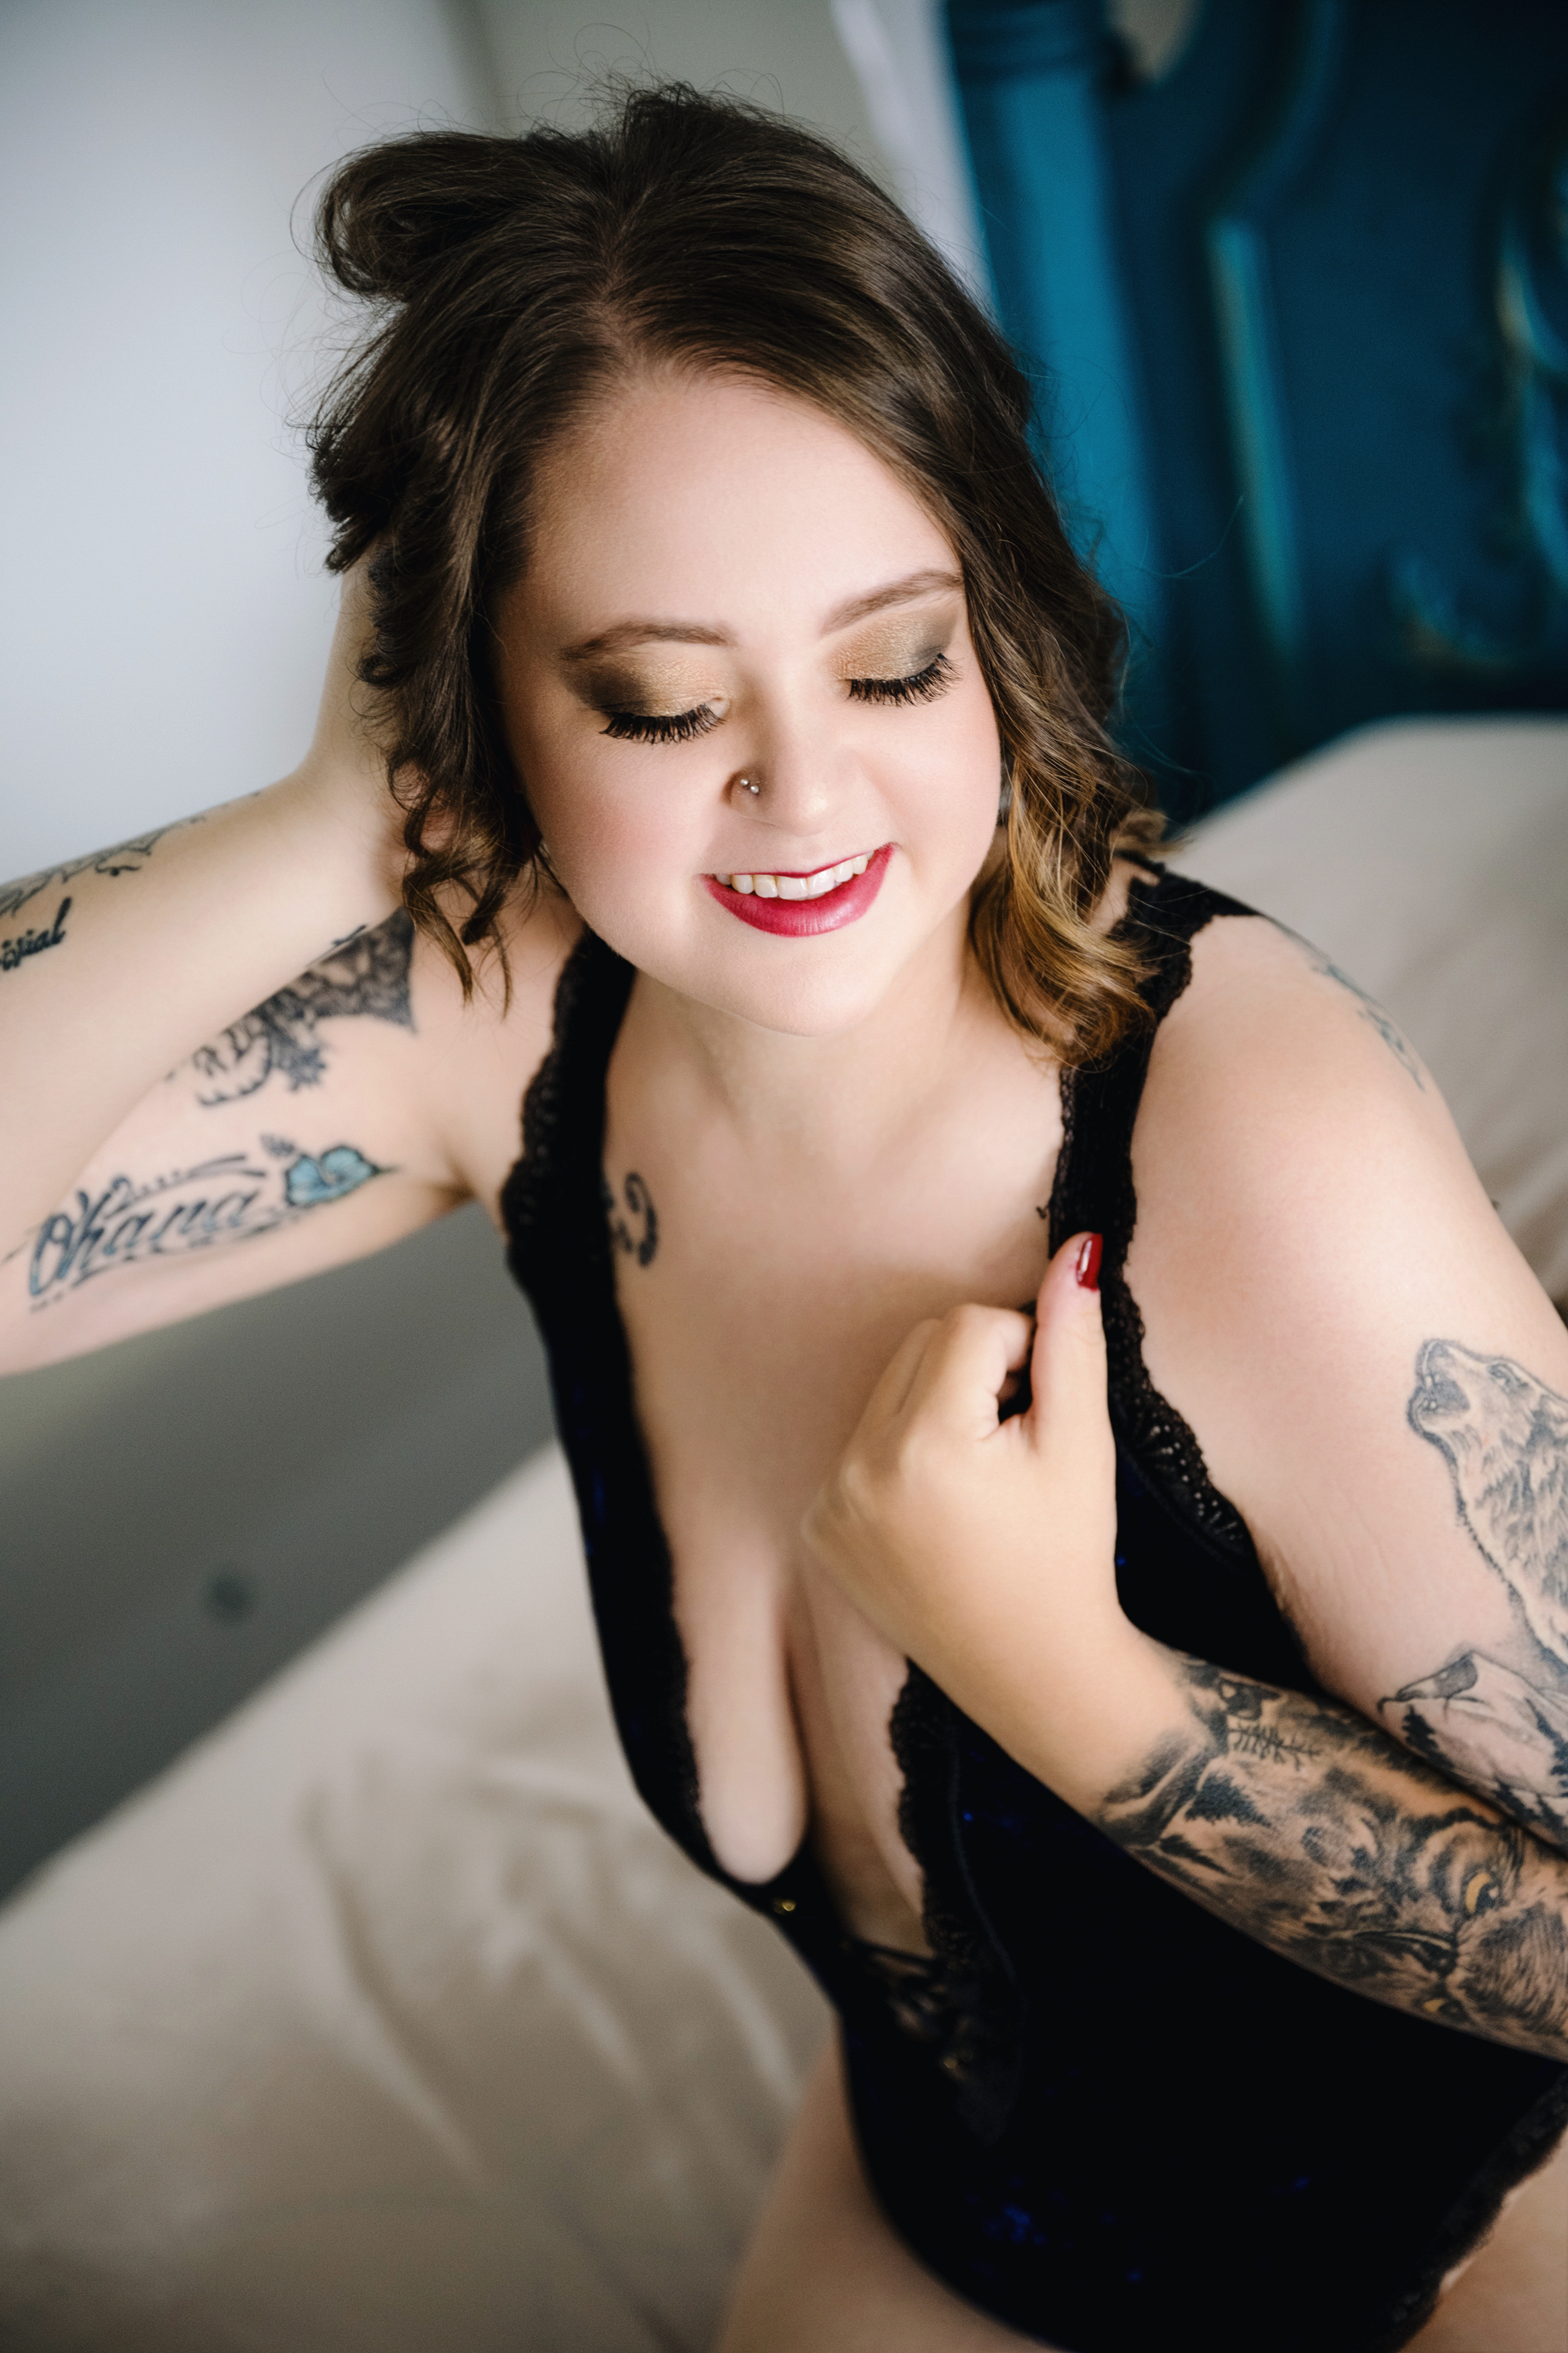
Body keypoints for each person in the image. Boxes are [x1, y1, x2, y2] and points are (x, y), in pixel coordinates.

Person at [3, 85, 1565, 2353]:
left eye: (895, 661)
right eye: (655, 704)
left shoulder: (1250, 1135)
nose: (807, 793)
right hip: (946, 2201)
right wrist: (323, 825)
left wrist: (1088, 1698)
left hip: (1465, 2239)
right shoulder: (518, 1022)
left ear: (999, 622)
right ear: (484, 700)